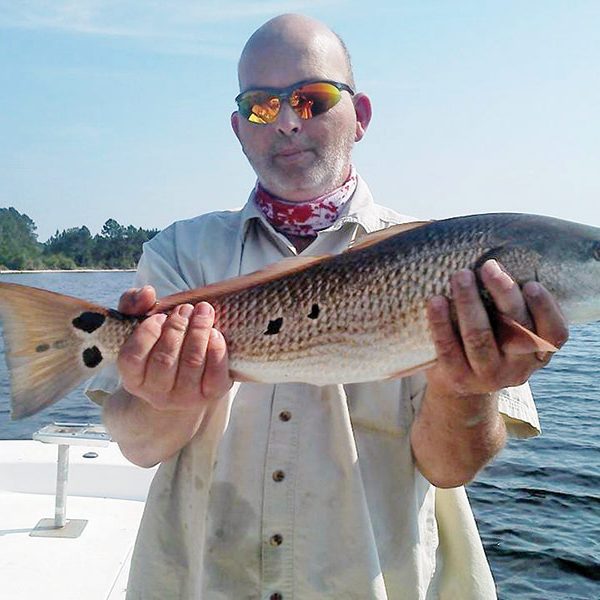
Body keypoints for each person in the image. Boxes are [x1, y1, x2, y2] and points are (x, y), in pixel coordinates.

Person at [90, 13, 568, 600]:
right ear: (239, 129)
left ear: (360, 116)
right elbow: (140, 447)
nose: (289, 121)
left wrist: (466, 390)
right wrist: (164, 397)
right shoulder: (179, 255)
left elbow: (450, 468)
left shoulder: (457, 262)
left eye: (313, 98)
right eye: (263, 106)